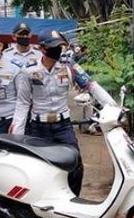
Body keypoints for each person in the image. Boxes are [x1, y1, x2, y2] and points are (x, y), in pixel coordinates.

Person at [12, 28, 116, 196]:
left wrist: (112, 105)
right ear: (42, 49)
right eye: (54, 46)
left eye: (60, 46)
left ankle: (71, 202)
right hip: (38, 127)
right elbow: (23, 103)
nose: (58, 50)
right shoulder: (28, 70)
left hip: (63, 126)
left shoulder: (69, 66)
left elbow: (91, 85)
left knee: (75, 166)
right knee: (40, 168)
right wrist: (17, 132)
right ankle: (43, 204)